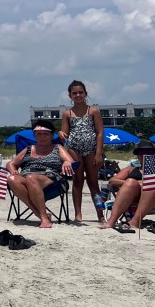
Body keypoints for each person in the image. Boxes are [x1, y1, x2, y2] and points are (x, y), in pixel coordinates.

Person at [6, 119, 75, 229]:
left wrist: (67, 162)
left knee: (31, 178)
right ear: (35, 136)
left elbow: (71, 161)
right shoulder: (28, 149)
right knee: (12, 179)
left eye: (45, 134)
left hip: (52, 180)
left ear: (51, 136)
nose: (42, 137)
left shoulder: (58, 148)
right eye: (39, 134)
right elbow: (11, 163)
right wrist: (13, 170)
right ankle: (41, 215)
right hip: (26, 178)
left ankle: (43, 217)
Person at [99, 140, 155, 233]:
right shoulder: (130, 169)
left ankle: (135, 221)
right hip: (134, 196)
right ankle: (111, 221)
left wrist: (148, 183)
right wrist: (137, 183)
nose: (145, 155)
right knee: (131, 182)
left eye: (149, 152)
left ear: (154, 155)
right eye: (142, 152)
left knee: (151, 185)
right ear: (138, 155)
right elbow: (112, 181)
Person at [58, 80, 104, 224]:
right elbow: (65, 133)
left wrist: (98, 153)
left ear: (85, 94)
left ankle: (100, 213)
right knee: (77, 181)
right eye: (74, 93)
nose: (78, 95)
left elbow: (100, 133)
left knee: (93, 183)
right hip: (74, 149)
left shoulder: (93, 111)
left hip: (91, 149)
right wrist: (61, 133)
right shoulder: (67, 114)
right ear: (70, 95)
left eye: (80, 92)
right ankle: (78, 214)